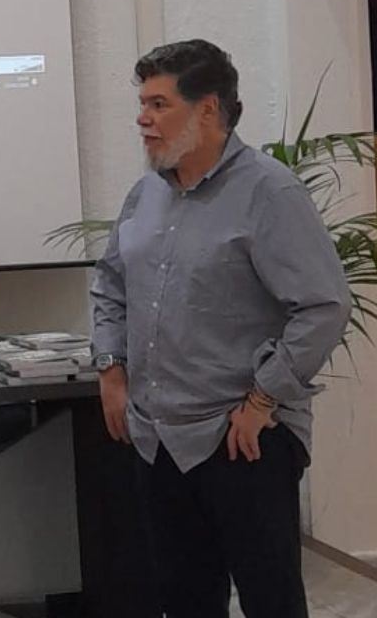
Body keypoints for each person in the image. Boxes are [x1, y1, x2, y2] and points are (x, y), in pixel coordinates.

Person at [91, 40, 352, 618]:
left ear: (207, 109)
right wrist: (110, 368)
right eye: (142, 103)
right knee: (184, 598)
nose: (142, 118)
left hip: (242, 438)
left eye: (158, 104)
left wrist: (264, 398)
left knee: (270, 599)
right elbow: (110, 283)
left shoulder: (270, 192)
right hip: (158, 438)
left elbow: (324, 305)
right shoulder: (146, 193)